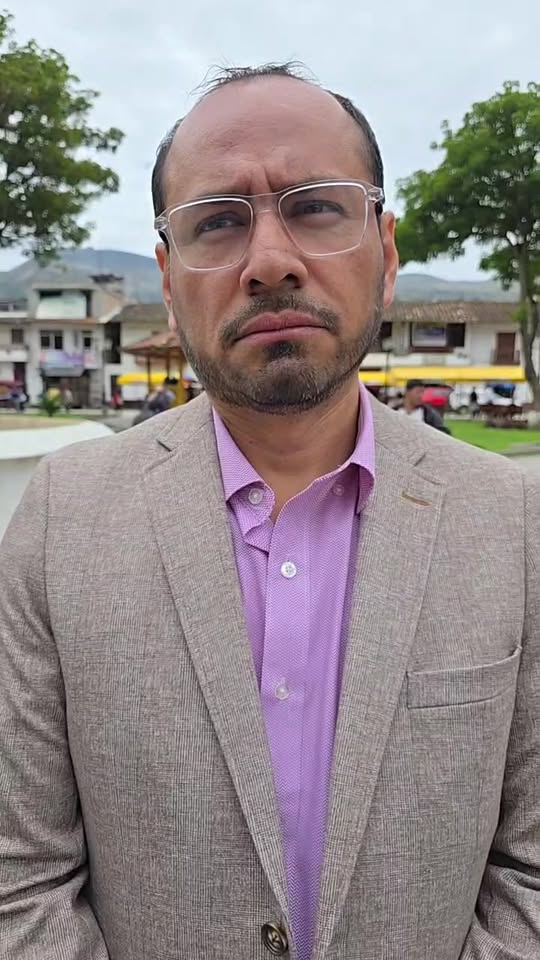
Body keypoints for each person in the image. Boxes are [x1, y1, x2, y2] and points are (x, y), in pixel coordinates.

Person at [0, 64, 538, 960]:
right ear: (168, 276)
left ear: (386, 251)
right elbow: (18, 877)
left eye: (317, 207)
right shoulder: (62, 522)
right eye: (217, 222)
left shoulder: (513, 523)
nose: (271, 261)